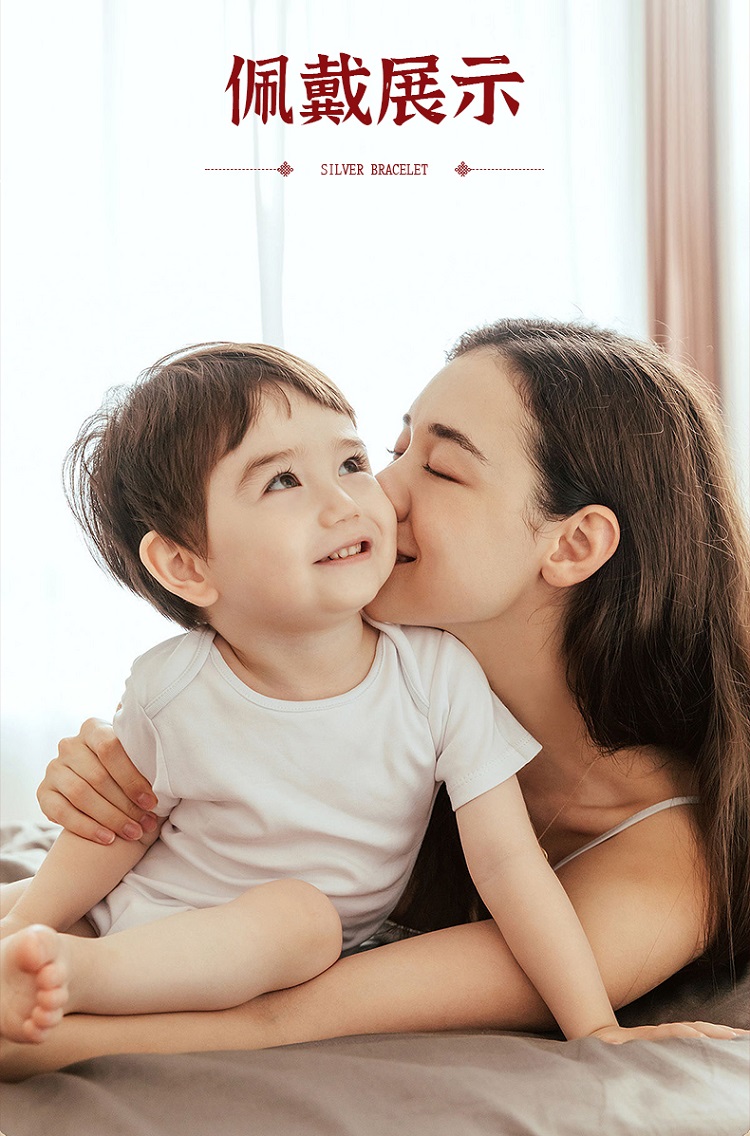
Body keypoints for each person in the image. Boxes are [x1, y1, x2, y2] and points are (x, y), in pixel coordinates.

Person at [4, 318, 749, 1078]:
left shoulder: (668, 865)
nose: (376, 496)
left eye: (441, 468)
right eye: (391, 452)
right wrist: (102, 772)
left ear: (572, 543)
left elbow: (286, 1016)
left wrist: (40, 1041)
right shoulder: (363, 673)